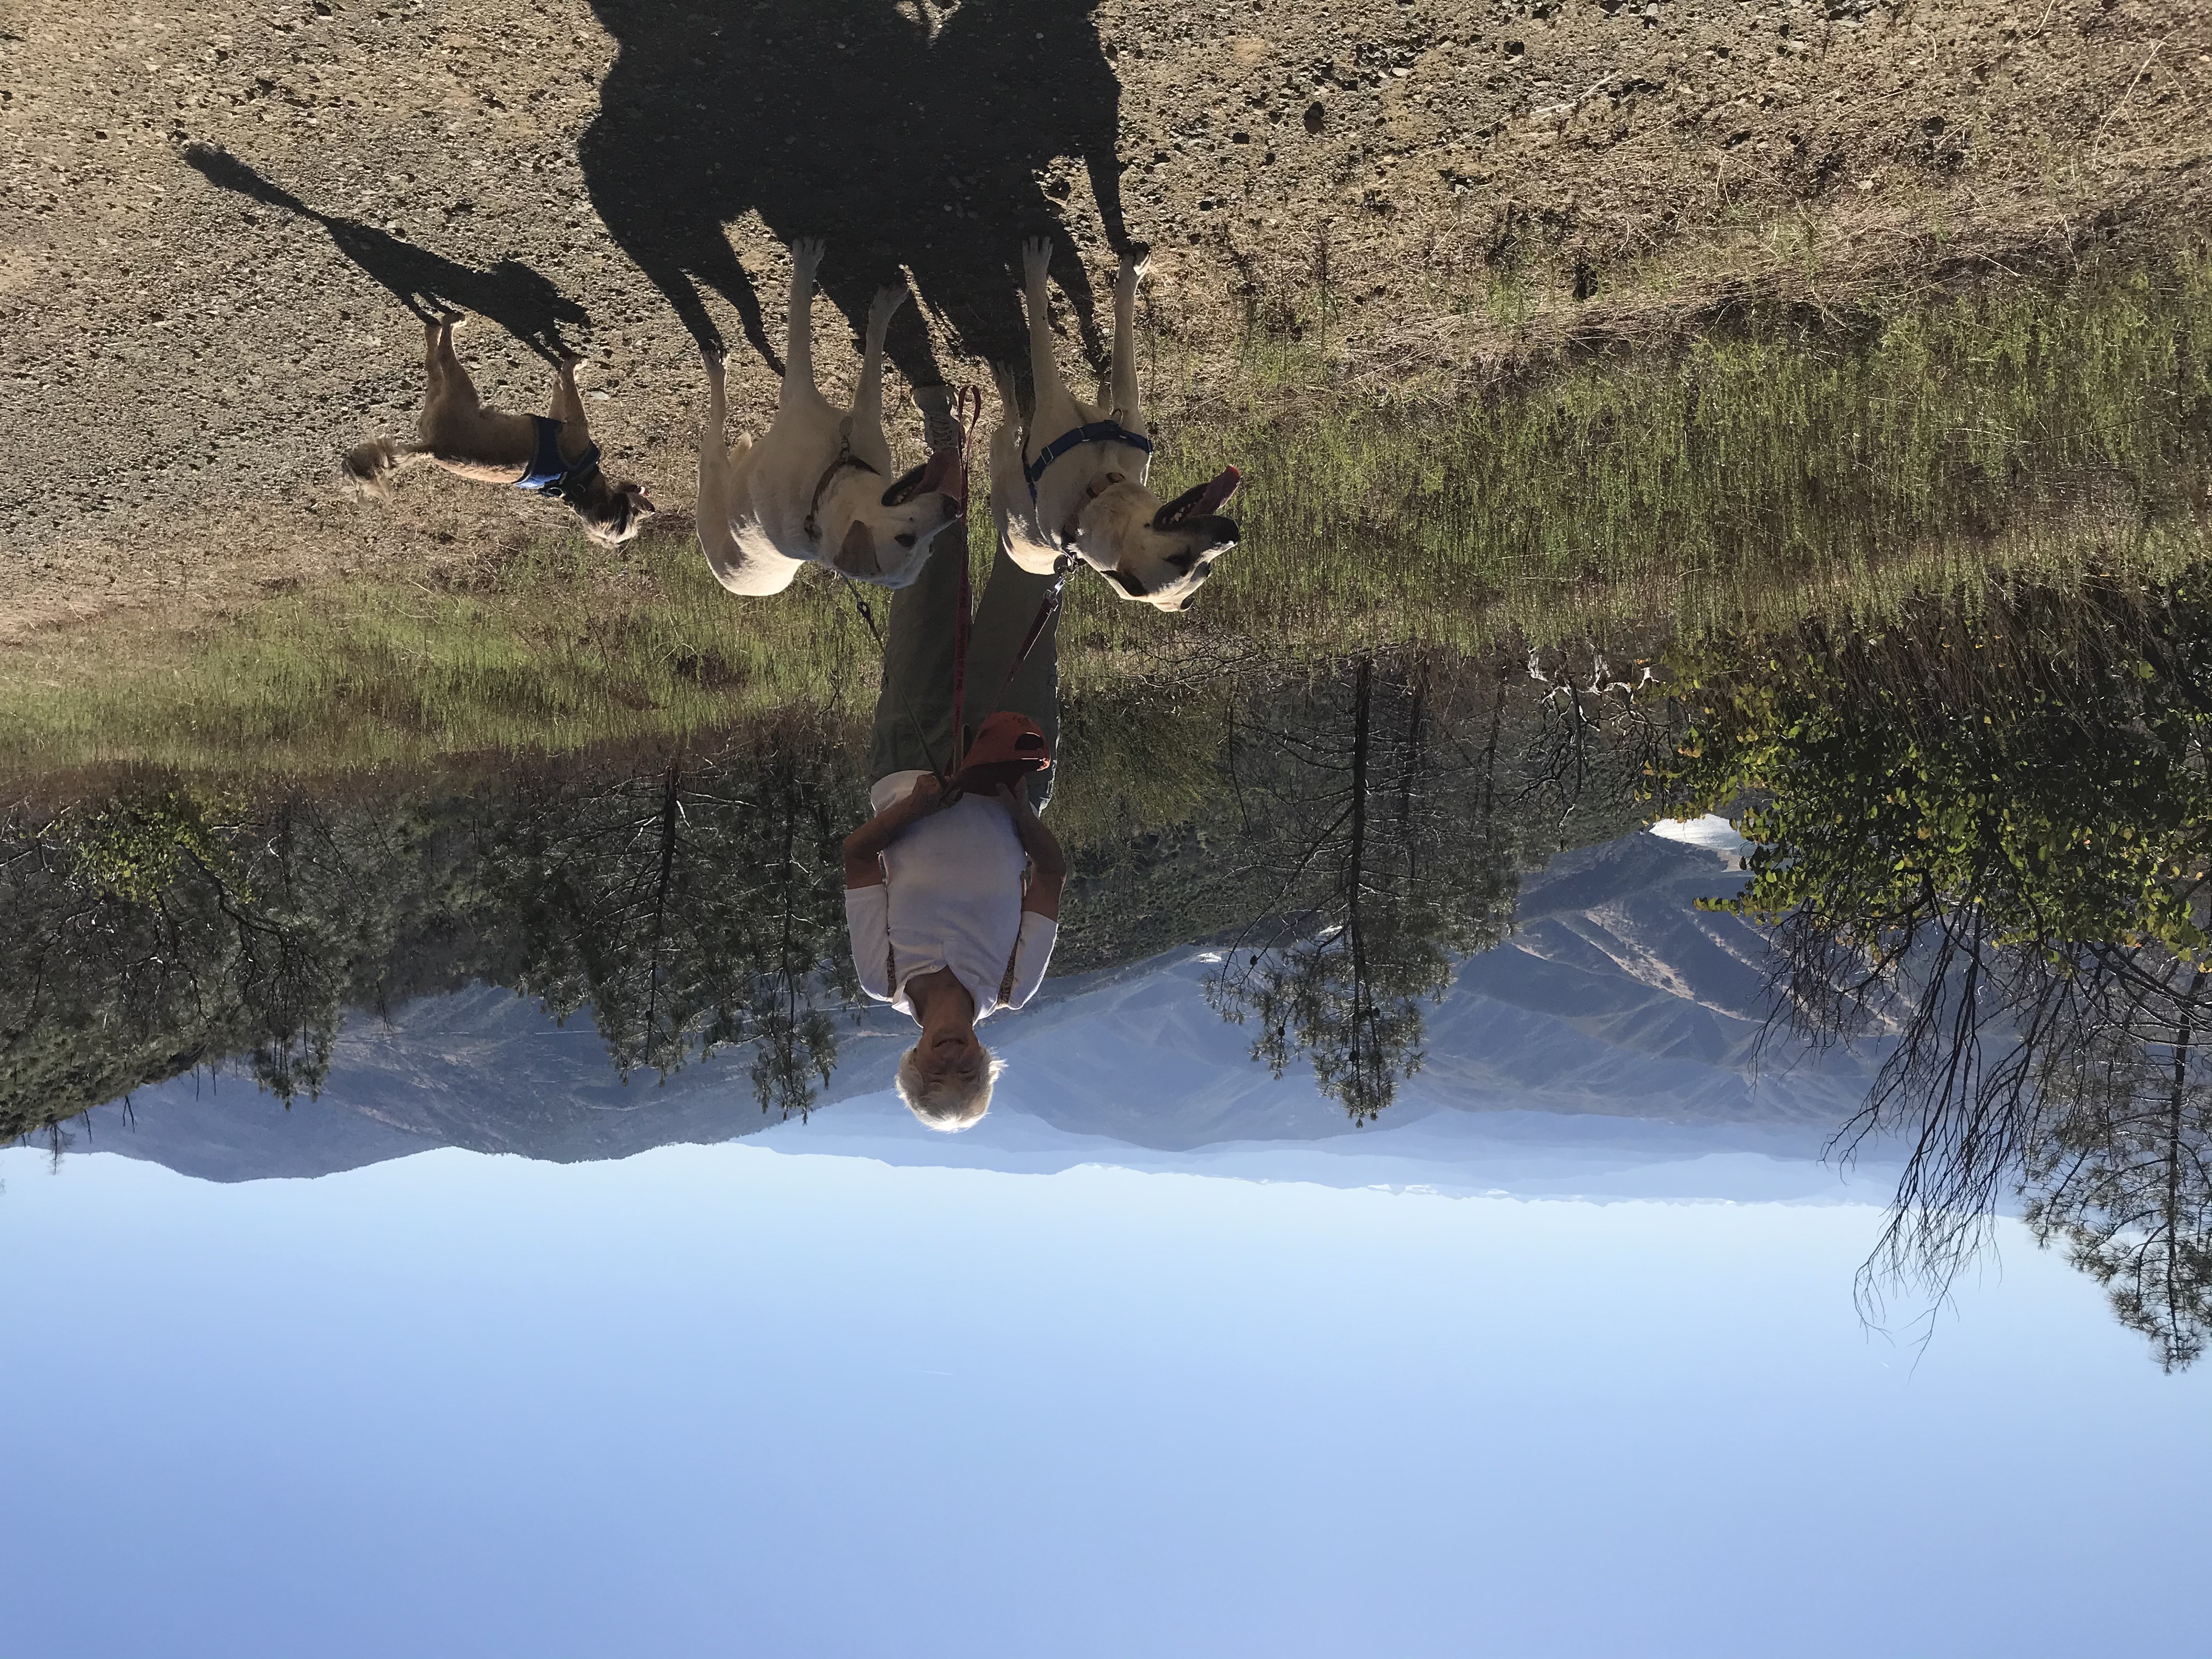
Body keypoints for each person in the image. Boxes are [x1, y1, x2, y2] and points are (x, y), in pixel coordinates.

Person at [843, 393, 1068, 1133]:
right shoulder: (1014, 985)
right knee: (1031, 586)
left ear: (911, 1061)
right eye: (967, 1075)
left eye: (934, 1075)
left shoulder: (879, 976)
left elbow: (858, 858)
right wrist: (1012, 808)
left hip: (910, 759)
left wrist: (915, 807)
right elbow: (1050, 874)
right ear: (983, 1060)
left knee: (923, 590)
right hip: (1011, 770)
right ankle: (1036, 437)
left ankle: (947, 441)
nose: (951, 1063)